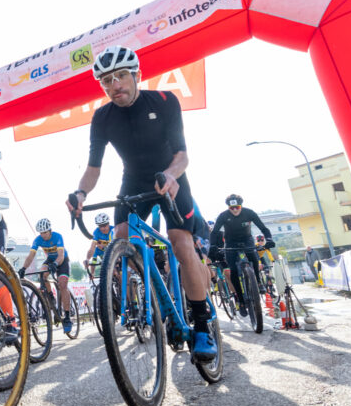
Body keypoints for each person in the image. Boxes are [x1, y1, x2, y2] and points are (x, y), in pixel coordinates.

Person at [65, 45, 216, 361]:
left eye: (120, 76)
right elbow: (93, 168)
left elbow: (183, 155)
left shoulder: (164, 101)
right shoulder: (102, 117)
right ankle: (157, 293)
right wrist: (80, 194)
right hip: (133, 180)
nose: (114, 85)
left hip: (169, 175)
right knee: (121, 239)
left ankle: (202, 325)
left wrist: (171, 175)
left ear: (136, 75)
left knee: (181, 244)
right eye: (106, 81)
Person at [211, 194, 274, 315]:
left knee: (254, 258)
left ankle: (258, 282)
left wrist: (269, 239)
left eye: (237, 207)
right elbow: (214, 232)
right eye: (232, 208)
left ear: (241, 205)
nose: (235, 210)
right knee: (233, 270)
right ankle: (240, 301)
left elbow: (263, 228)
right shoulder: (223, 215)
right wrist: (213, 245)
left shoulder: (249, 213)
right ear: (228, 207)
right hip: (230, 241)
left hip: (247, 239)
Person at [19, 219, 74, 333]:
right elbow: (31, 256)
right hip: (50, 259)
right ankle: (51, 297)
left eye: (45, 232)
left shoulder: (57, 237)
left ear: (50, 231)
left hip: (62, 260)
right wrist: (23, 268)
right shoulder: (38, 240)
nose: (43, 235)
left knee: (62, 284)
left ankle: (67, 317)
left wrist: (56, 264)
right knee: (43, 274)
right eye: (41, 233)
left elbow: (61, 255)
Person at [84, 213, 113, 277]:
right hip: (101, 252)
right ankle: (92, 273)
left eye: (104, 225)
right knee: (94, 251)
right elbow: (92, 248)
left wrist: (104, 247)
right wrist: (87, 259)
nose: (102, 228)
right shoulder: (96, 232)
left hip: (112, 251)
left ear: (108, 223)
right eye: (100, 226)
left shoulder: (113, 230)